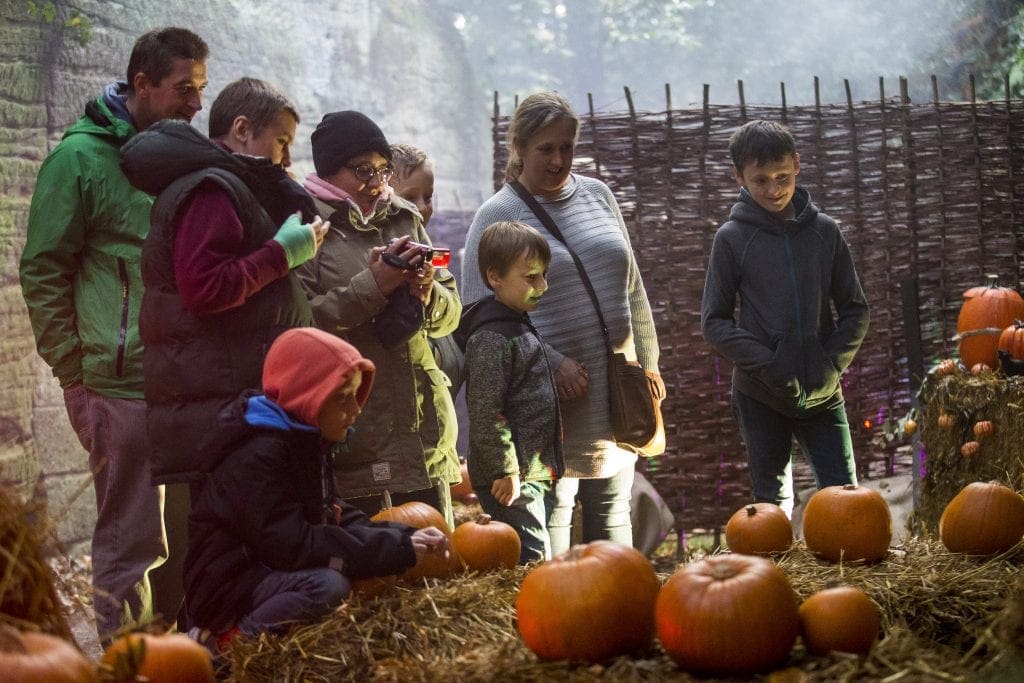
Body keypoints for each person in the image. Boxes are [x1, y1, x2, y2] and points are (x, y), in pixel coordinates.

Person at [19, 27, 208, 641]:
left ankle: (176, 649)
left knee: (185, 532)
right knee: (132, 538)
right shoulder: (78, 161)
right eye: (185, 89)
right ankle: (130, 662)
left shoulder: (178, 158)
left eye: (201, 90)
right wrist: (74, 373)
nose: (195, 104)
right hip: (117, 385)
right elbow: (43, 269)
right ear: (142, 84)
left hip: (181, 381)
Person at [120, 77, 326, 629]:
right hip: (212, 409)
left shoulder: (230, 186)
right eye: (280, 141)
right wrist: (282, 255)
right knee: (211, 561)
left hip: (225, 399)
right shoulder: (212, 189)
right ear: (241, 130)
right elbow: (205, 289)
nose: (286, 157)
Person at [460, 91, 661, 556]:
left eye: (567, 146)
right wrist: (551, 363)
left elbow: (633, 287)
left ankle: (618, 612)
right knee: (556, 511)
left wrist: (647, 363)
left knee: (613, 510)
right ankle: (560, 619)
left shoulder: (598, 196)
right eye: (545, 149)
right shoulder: (497, 216)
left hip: (613, 384)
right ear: (519, 149)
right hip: (549, 398)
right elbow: (479, 317)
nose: (558, 159)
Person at [183, 327, 448, 648]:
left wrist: (403, 537)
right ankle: (227, 646)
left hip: (268, 572)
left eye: (355, 394)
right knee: (327, 587)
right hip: (230, 588)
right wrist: (391, 550)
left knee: (351, 572)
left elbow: (336, 515)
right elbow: (291, 544)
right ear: (308, 397)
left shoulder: (302, 442)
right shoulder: (258, 455)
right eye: (342, 397)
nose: (356, 409)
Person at [297, 111, 462, 529]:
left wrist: (427, 294)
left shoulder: (405, 217)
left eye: (383, 170)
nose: (376, 182)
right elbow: (299, 328)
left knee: (438, 563)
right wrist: (374, 284)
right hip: (357, 432)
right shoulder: (305, 225)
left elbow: (451, 314)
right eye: (363, 171)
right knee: (375, 575)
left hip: (422, 427)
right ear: (329, 171)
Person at [700, 119, 870, 517]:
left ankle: (843, 577)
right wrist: (771, 365)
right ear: (739, 176)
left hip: (824, 394)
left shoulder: (825, 233)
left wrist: (831, 365)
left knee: (845, 498)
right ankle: (774, 576)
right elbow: (715, 321)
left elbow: (855, 309)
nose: (774, 189)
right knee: (770, 509)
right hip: (760, 395)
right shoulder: (731, 238)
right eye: (760, 180)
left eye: (782, 176)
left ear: (797, 163)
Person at [454, 221, 564, 563]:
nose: (542, 286)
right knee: (531, 558)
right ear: (494, 277)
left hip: (534, 471)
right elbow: (487, 410)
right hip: (511, 477)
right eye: (531, 277)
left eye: (544, 275)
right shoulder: (491, 337)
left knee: (536, 554)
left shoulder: (518, 324)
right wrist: (505, 470)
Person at [389, 143, 464, 394]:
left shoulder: (428, 249)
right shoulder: (380, 254)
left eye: (428, 197)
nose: (422, 207)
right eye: (409, 198)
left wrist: (430, 291)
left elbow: (453, 312)